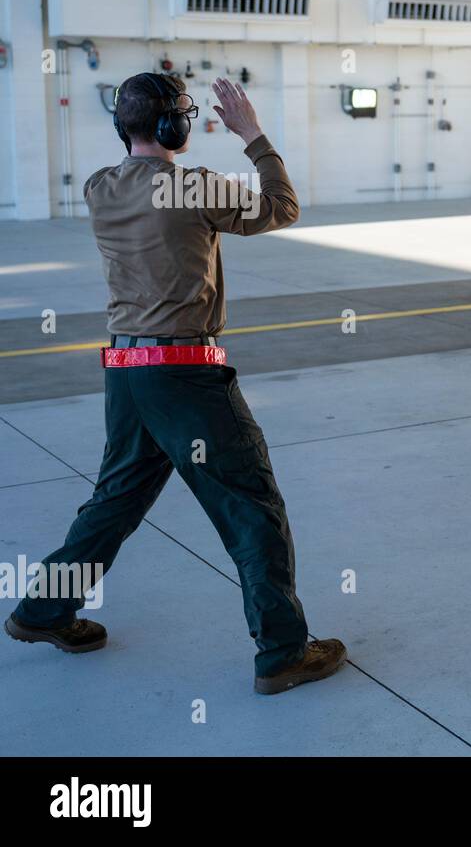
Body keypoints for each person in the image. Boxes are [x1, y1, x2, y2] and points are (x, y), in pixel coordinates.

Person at [4, 73, 346, 696]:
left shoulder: (100, 187)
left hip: (127, 374)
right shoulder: (192, 186)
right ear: (174, 127)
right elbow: (281, 207)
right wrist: (253, 136)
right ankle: (282, 652)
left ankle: (42, 610)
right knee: (250, 507)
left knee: (114, 503)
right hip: (186, 375)